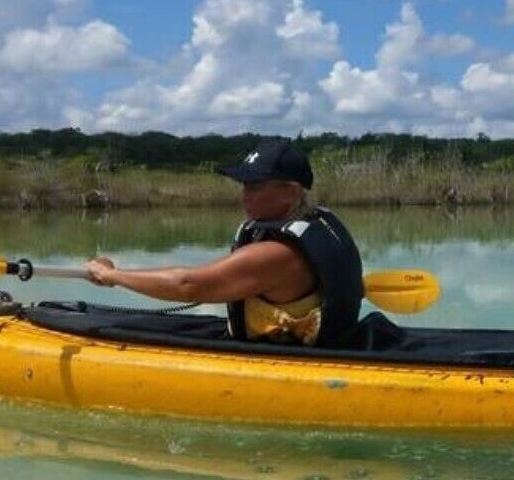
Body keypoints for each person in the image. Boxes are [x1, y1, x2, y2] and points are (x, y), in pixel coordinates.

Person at [84, 138, 365, 347]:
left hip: (294, 358)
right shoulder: (320, 224)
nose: (244, 195)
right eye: (244, 186)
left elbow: (188, 285)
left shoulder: (277, 254)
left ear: (290, 192)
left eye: (254, 186)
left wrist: (112, 275)